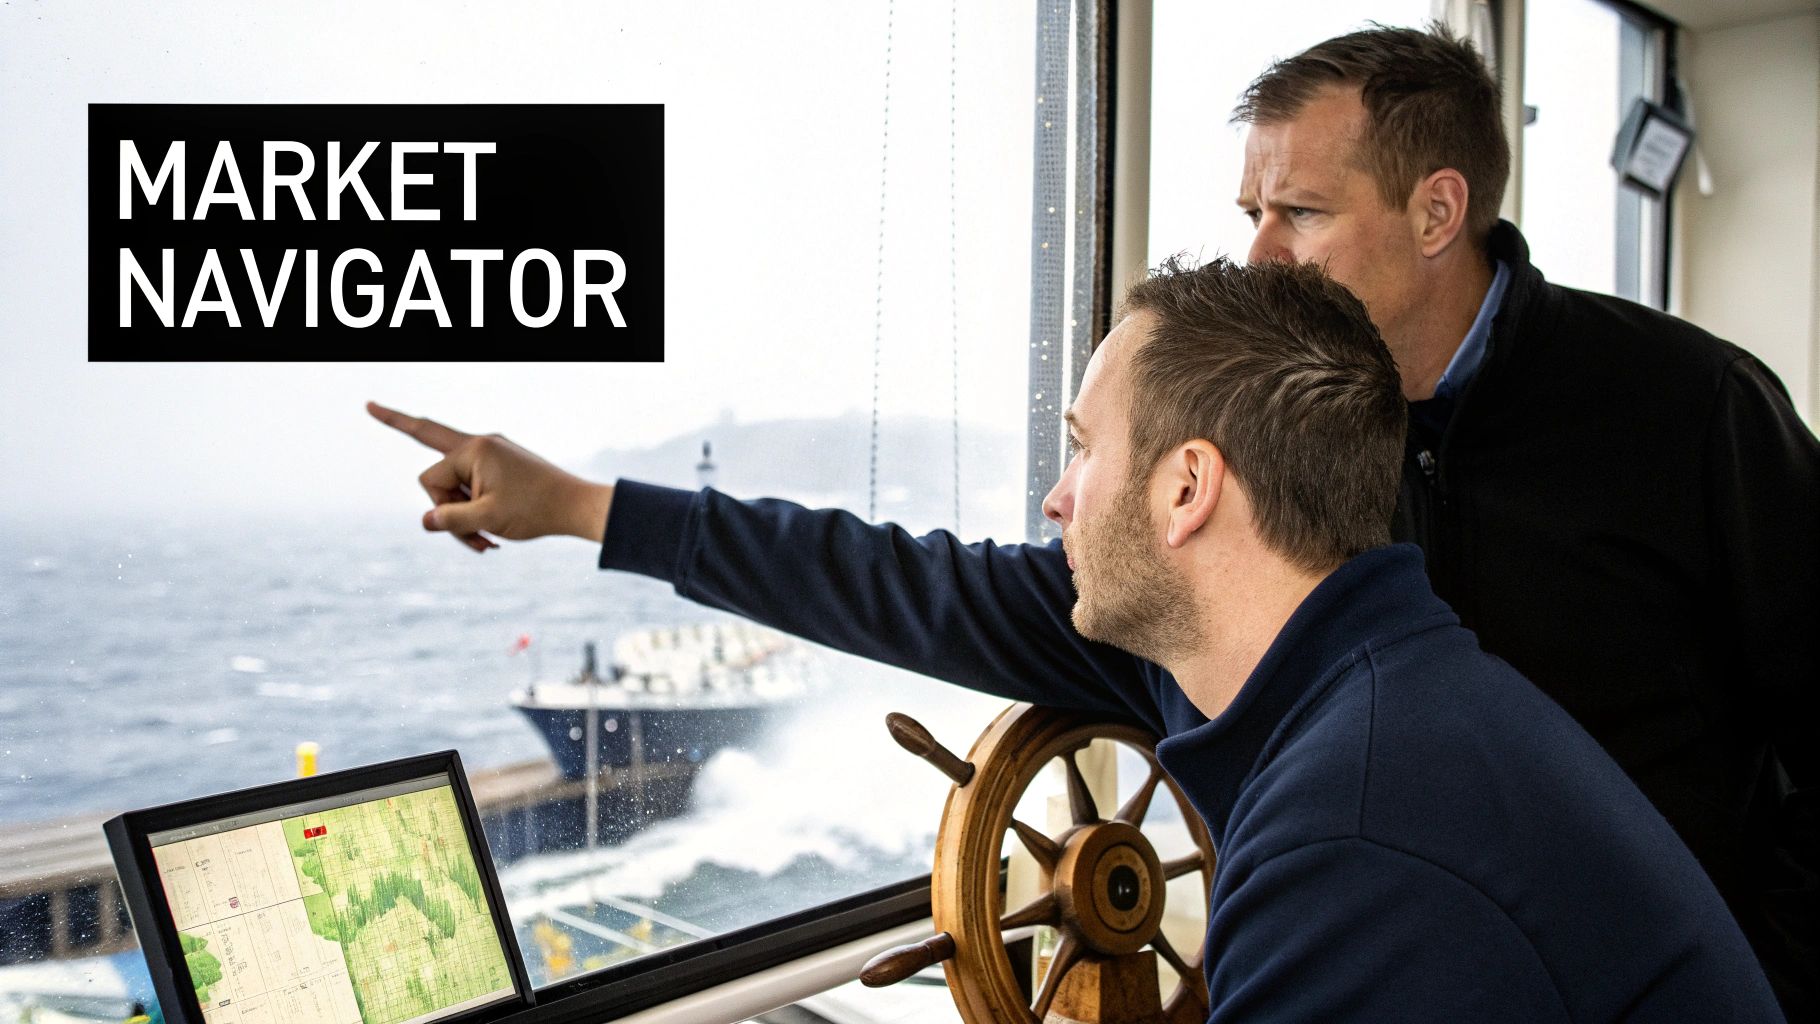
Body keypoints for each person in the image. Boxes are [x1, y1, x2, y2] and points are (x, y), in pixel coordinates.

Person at [371, 258, 1782, 1021]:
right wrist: (578, 506)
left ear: (1185, 492)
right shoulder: (1367, 684)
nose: (1054, 498)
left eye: (1083, 448)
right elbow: (894, 583)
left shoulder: (1356, 840)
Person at [1228, 26, 1818, 1017]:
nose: (1258, 253)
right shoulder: (1302, 441)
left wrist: (1778, 987)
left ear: (1436, 212)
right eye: (1252, 211)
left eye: (1299, 210)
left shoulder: (1691, 401)